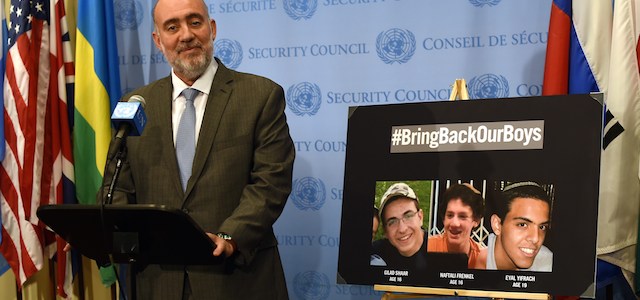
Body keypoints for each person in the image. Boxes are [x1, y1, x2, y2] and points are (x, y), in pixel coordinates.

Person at [98, 0, 295, 298]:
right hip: (158, 280)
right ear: (158, 40)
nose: (186, 35)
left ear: (212, 28)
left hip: (236, 280)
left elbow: (271, 182)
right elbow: (119, 186)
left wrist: (230, 235)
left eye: (195, 22)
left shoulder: (260, 96)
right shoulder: (136, 104)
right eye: (172, 27)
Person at [484, 181, 553, 272]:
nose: (536, 238)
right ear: (497, 225)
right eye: (522, 225)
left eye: (542, 227)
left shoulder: (546, 262)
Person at [427, 183, 487, 269]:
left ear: (476, 220)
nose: (454, 223)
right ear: (443, 218)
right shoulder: (428, 248)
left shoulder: (483, 260)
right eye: (450, 215)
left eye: (462, 216)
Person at [371, 183, 428, 270]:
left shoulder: (444, 251)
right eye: (392, 222)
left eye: (408, 216)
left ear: (420, 217)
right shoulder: (375, 252)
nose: (402, 229)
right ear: (385, 231)